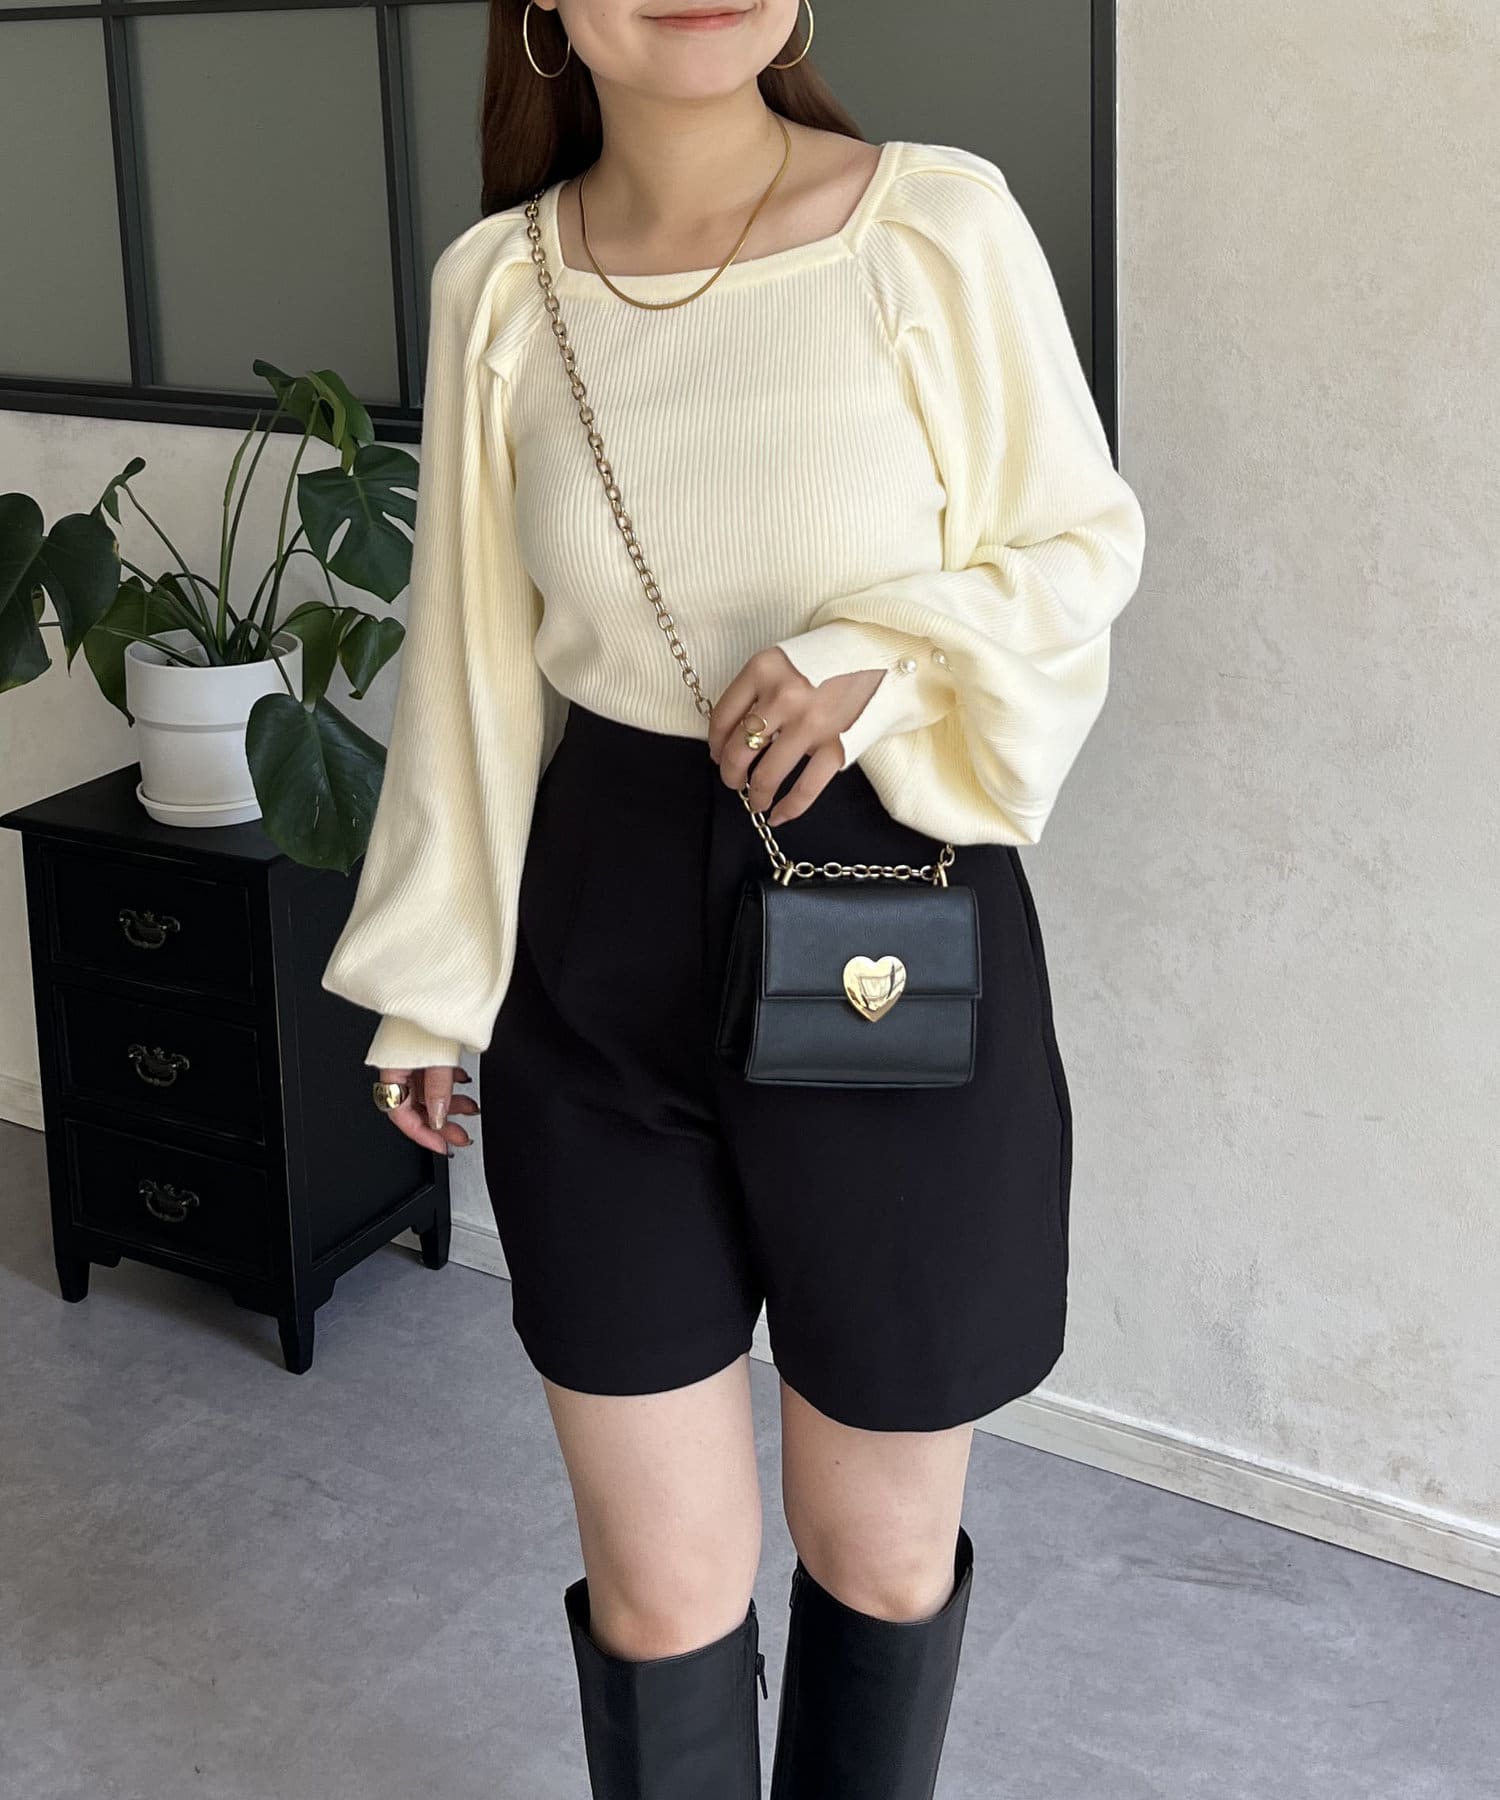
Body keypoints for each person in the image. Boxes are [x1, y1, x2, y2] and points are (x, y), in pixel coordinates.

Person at [321, 1, 1147, 1793]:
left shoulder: (934, 223)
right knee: (662, 1585)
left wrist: (876, 655)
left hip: (884, 904)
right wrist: (431, 979)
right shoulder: (500, 286)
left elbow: (1082, 545)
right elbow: (469, 662)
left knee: (879, 1552)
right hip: (599, 931)